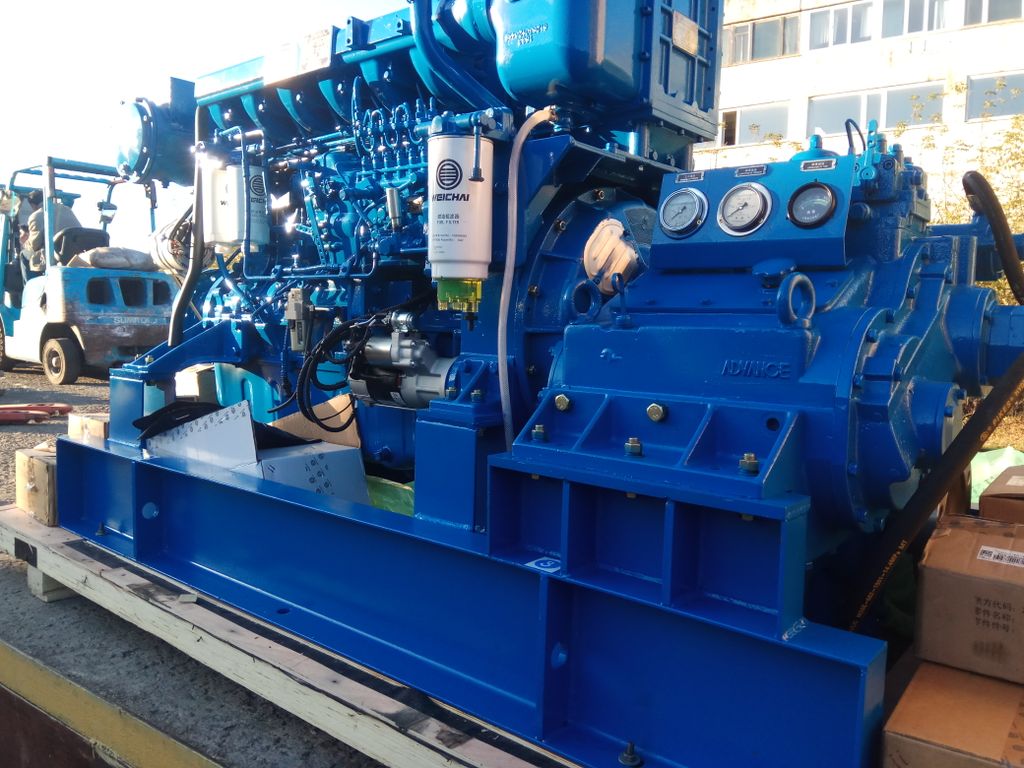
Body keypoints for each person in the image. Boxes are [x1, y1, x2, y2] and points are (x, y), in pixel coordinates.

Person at [24, 189, 81, 272]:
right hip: (75, 254)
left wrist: (25, 243)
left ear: (32, 205)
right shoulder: (67, 210)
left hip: (55, 256)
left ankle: (28, 280)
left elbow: (34, 245)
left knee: (23, 254)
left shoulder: (35, 216)